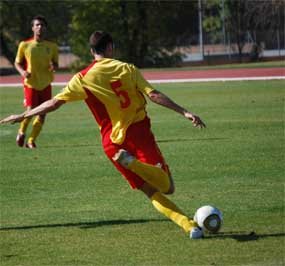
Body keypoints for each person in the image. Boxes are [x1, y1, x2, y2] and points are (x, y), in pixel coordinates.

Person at [1, 31, 206, 239]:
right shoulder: (127, 68)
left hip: (111, 144)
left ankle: (188, 225)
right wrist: (185, 112)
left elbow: (54, 103)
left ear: (92, 51)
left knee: (148, 190)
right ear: (110, 48)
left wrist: (24, 115)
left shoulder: (82, 78)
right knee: (167, 186)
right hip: (138, 132)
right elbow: (153, 95)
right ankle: (134, 164)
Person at [14, 15, 58, 149]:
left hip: (46, 84)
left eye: (42, 25)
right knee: (30, 111)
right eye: (37, 25)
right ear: (33, 28)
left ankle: (31, 140)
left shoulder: (52, 46)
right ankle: (21, 132)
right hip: (31, 84)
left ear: (46, 28)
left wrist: (53, 67)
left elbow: (55, 63)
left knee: (43, 114)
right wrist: (22, 72)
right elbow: (17, 63)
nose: (40, 27)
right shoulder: (25, 45)